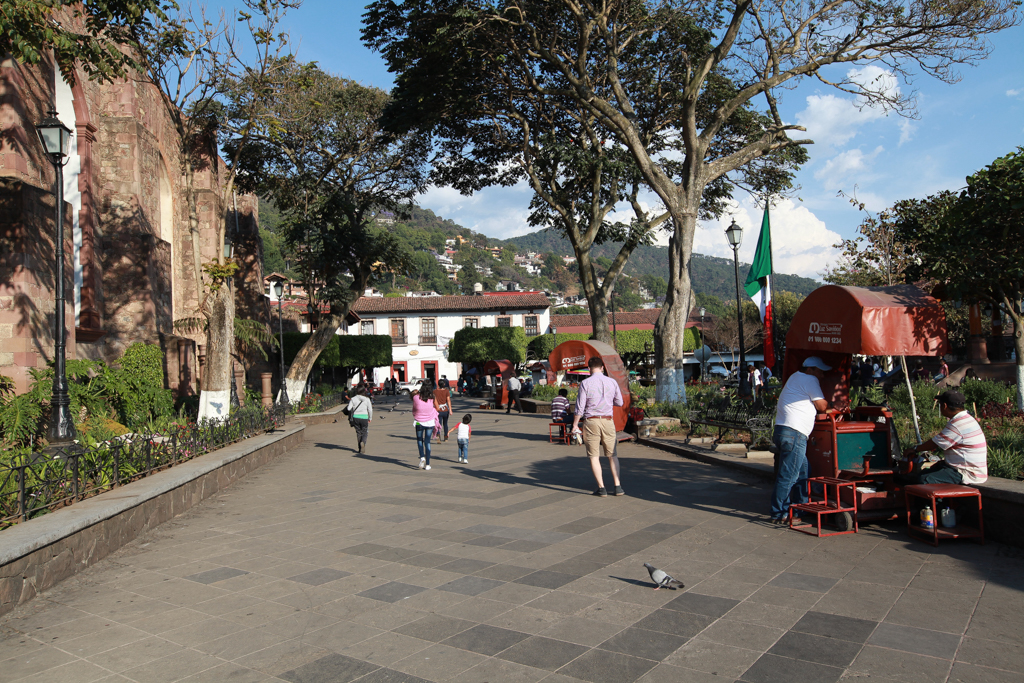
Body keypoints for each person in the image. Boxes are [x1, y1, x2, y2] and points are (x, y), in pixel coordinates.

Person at [770, 356, 831, 524]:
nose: (822, 376)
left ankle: (800, 509)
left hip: (784, 430)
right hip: (794, 433)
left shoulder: (795, 377)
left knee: (803, 471)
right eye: (820, 372)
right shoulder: (809, 379)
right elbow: (822, 406)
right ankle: (779, 513)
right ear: (810, 369)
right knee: (789, 475)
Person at [898, 390, 987, 485]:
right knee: (922, 474)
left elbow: (935, 444)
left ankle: (936, 500)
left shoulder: (958, 424)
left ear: (944, 406)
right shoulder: (967, 419)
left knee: (924, 479)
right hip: (964, 468)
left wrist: (915, 449)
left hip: (966, 473)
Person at [571, 356, 625, 497]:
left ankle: (601, 488)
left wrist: (575, 424)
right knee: (612, 455)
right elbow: (619, 402)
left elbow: (580, 407)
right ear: (602, 367)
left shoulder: (585, 383)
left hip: (591, 421)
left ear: (589, 368)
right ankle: (617, 486)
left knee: (594, 456)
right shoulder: (612, 382)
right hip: (608, 421)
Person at [412, 385, 438, 470]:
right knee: (427, 442)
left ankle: (422, 457)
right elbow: (437, 407)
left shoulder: (416, 397)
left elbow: (415, 409)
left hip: (419, 421)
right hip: (430, 422)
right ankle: (427, 464)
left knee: (419, 440)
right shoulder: (432, 397)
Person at [347, 387, 373, 453]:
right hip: (364, 417)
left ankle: (359, 448)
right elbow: (370, 410)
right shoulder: (367, 399)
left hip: (355, 417)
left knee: (358, 432)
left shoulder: (353, 399)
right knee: (364, 432)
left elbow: (348, 408)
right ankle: (363, 442)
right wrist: (370, 418)